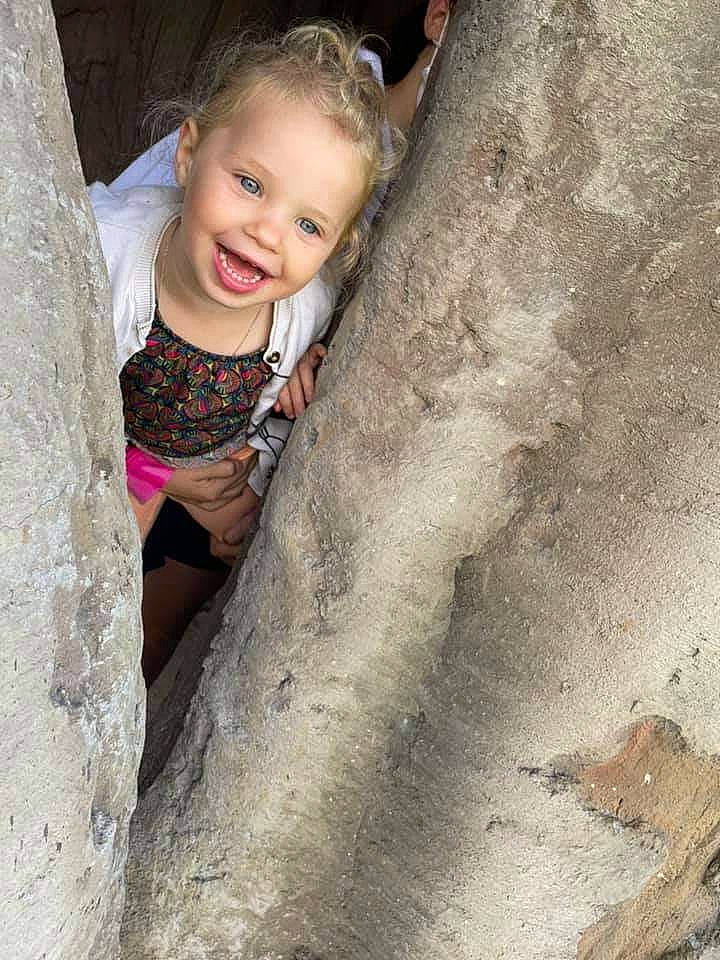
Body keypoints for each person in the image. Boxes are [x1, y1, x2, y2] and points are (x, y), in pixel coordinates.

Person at [90, 22, 405, 682]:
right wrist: (157, 473)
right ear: (187, 154)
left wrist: (310, 366)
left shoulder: (306, 305)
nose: (268, 232)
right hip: (116, 457)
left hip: (226, 464)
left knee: (250, 549)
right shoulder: (107, 249)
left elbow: (306, 358)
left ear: (336, 245)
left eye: (308, 224)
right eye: (251, 184)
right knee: (98, 587)